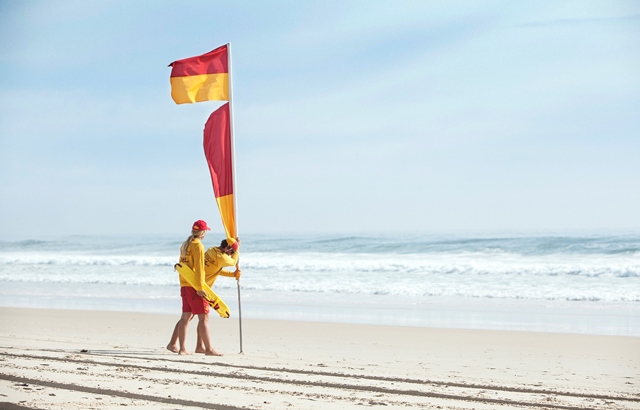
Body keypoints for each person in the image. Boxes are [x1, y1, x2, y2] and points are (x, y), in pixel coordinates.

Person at [166, 227, 241, 355]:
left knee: (187, 316)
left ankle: (179, 344)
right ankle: (208, 349)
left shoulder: (211, 250)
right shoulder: (215, 254)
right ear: (228, 249)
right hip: (198, 287)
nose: (230, 254)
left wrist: (232, 275)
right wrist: (238, 249)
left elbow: (214, 270)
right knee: (203, 318)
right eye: (231, 251)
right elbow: (233, 261)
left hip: (187, 283)